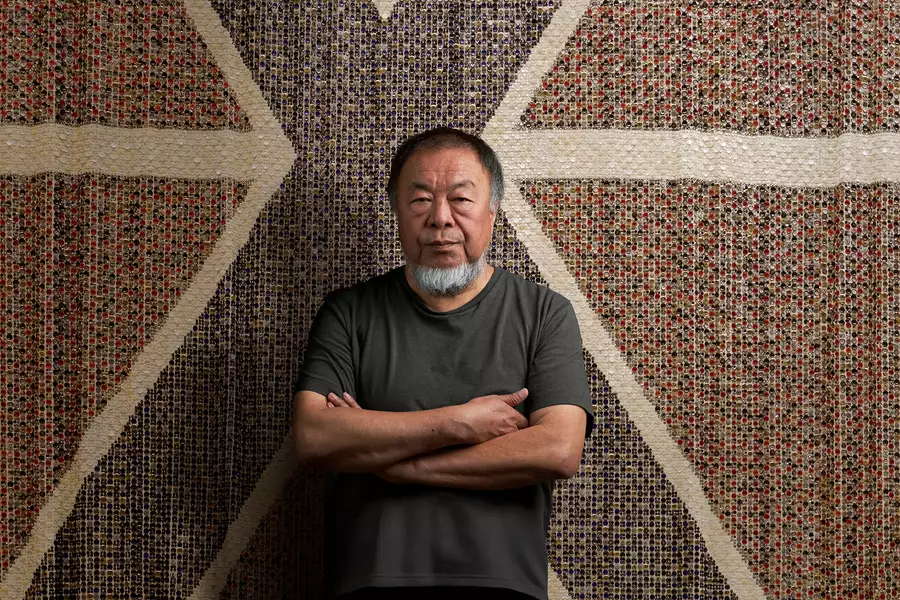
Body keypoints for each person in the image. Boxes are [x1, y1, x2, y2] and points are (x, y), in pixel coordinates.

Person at [292, 127, 594, 600]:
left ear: (492, 210)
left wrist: (398, 461)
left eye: (461, 199)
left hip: (503, 583)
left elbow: (557, 448)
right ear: (397, 211)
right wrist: (462, 422)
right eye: (419, 201)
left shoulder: (544, 313)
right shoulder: (348, 313)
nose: (440, 220)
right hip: (369, 580)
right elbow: (314, 436)